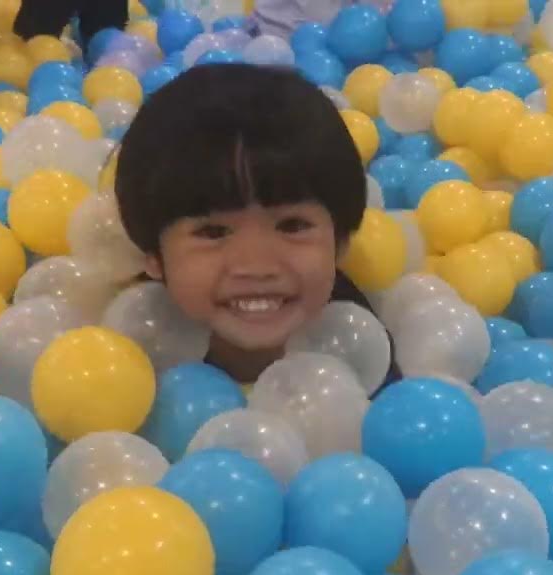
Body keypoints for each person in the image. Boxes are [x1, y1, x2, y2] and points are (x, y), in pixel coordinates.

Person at [115, 62, 393, 387]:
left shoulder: (361, 351)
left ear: (341, 242)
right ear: (153, 257)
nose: (256, 265)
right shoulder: (130, 357)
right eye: (213, 232)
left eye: (292, 225)